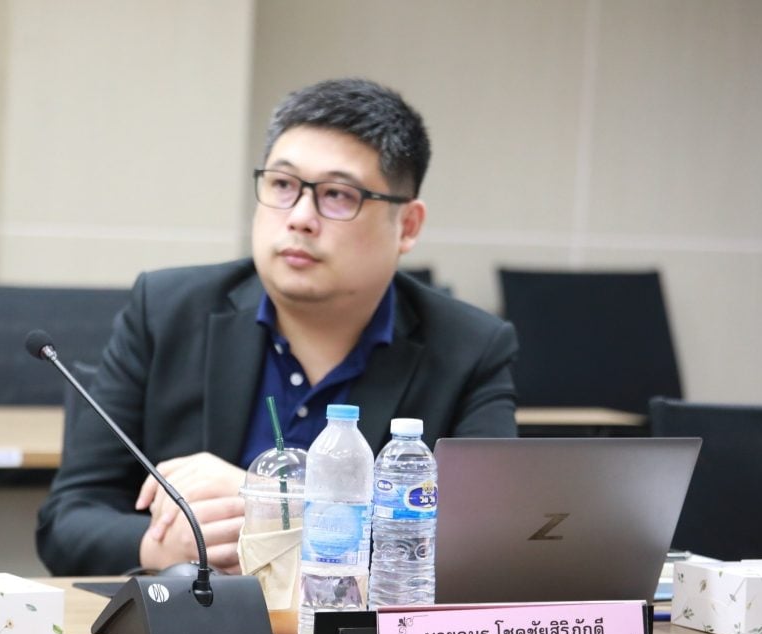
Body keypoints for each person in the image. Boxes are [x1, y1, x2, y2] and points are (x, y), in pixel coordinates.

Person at [36, 77, 518, 576]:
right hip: (197, 622)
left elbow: (488, 545)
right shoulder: (166, 312)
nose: (300, 218)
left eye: (338, 195)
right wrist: (159, 550)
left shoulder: (470, 350)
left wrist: (271, 502)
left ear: (408, 226)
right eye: (283, 185)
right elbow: (67, 520)